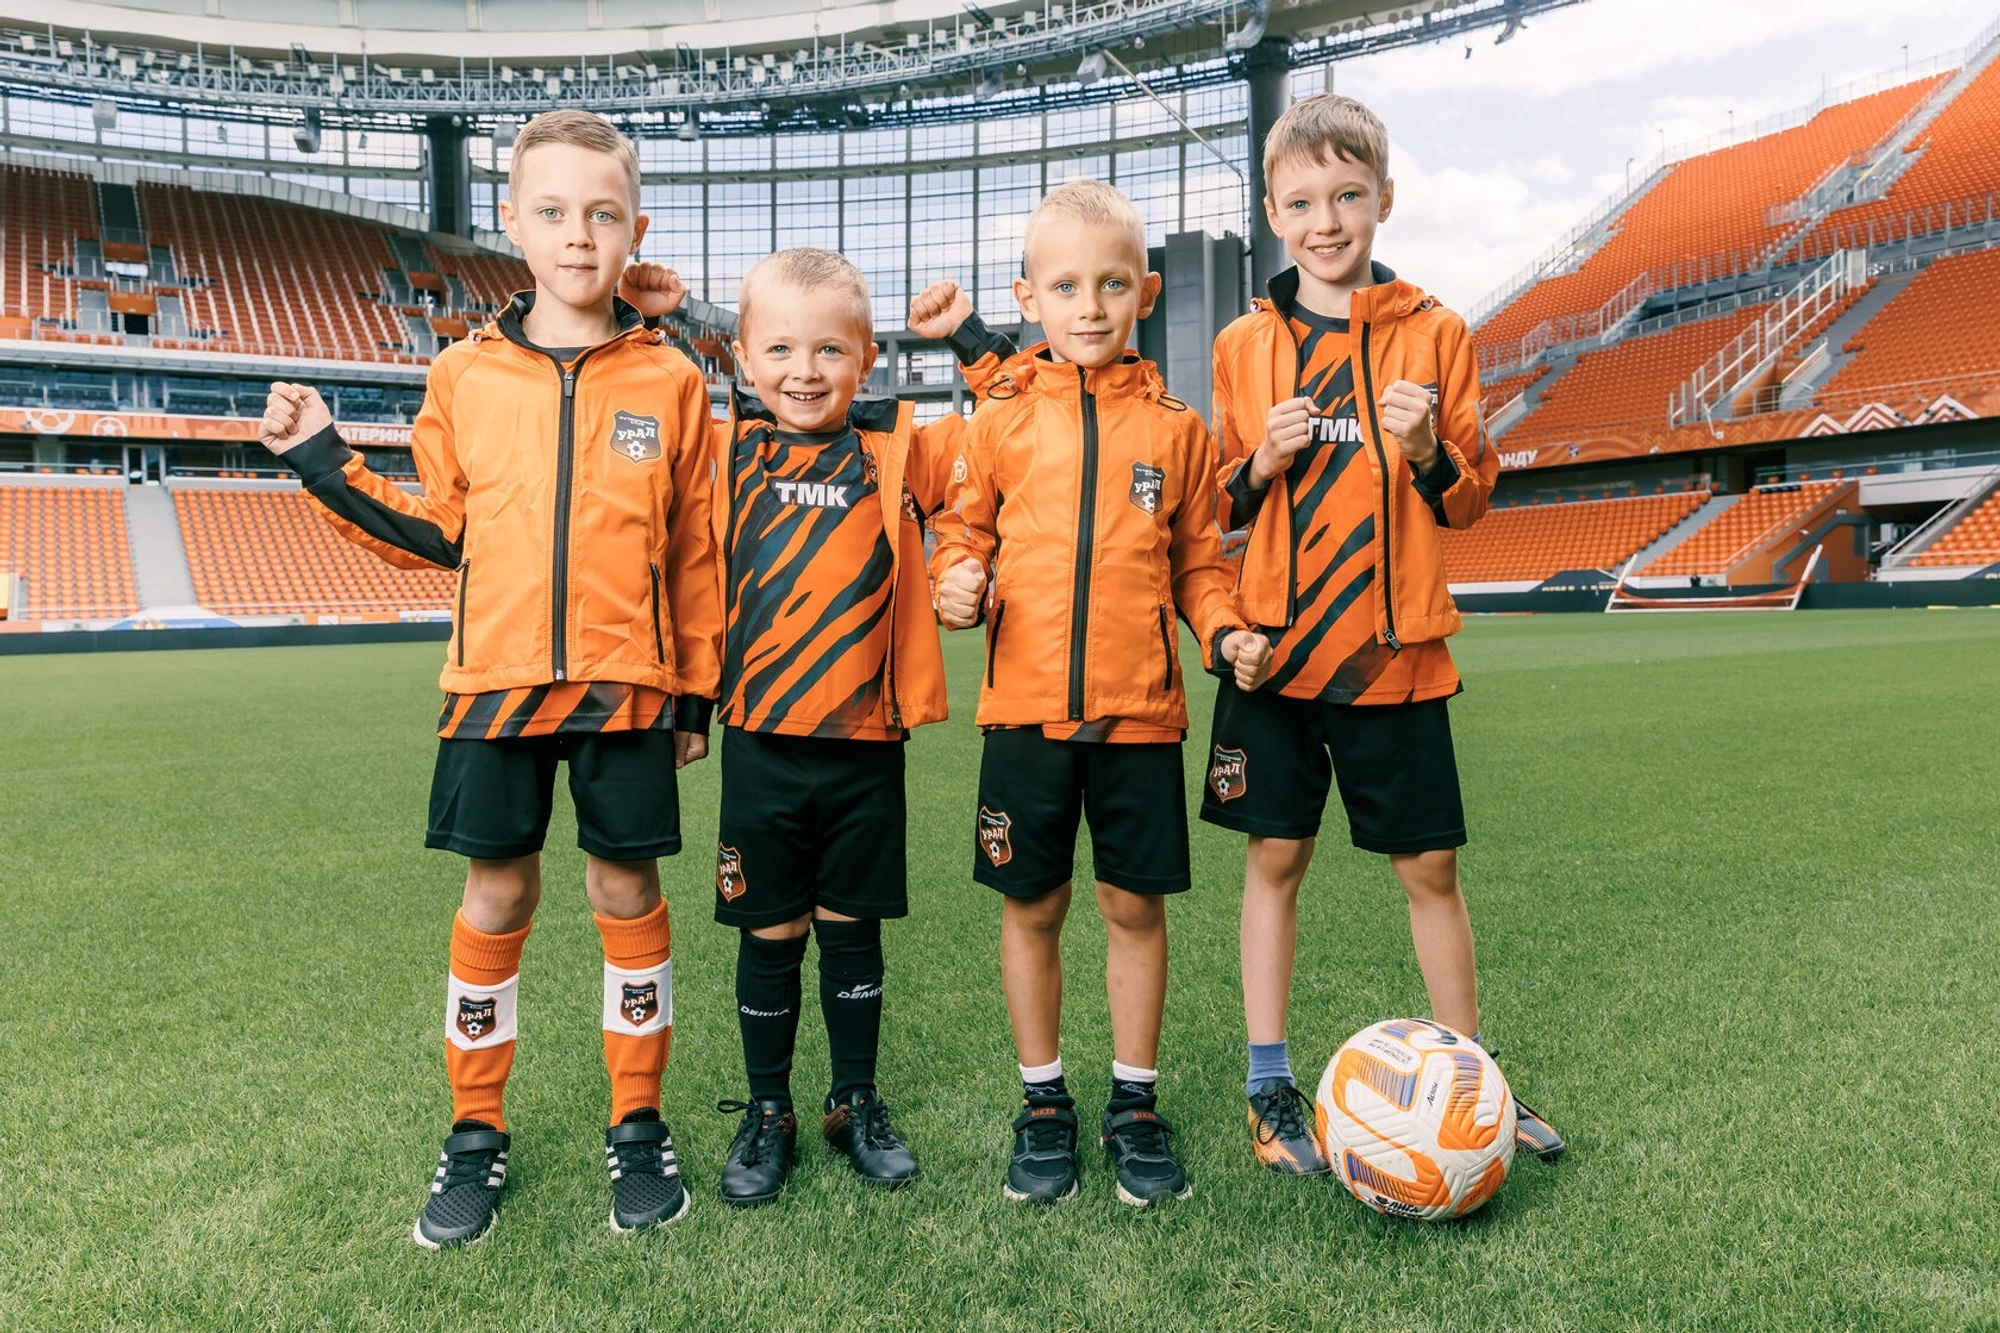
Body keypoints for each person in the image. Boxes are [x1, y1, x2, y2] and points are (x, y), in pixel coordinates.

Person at [255, 109, 722, 1247]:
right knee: (496, 898)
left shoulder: (672, 379)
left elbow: (694, 551)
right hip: (493, 689)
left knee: (625, 894)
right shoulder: (460, 372)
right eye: (553, 212)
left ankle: (637, 1122)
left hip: (625, 688)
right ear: (513, 223)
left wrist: (695, 694)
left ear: (636, 230)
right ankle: (474, 1132)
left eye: (602, 214)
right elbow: (438, 527)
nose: (578, 235)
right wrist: (322, 458)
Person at [1200, 93, 1565, 1175]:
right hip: (1274, 657)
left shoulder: (1437, 333)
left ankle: (1475, 1080)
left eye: (1347, 196)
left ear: (1384, 200)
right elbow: (1211, 508)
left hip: (1393, 654)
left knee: (1431, 866)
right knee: (1275, 857)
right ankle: (1268, 1088)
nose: (1326, 221)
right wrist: (1260, 463)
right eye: (1302, 202)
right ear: (1272, 213)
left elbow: (1469, 503)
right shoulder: (1241, 346)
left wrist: (1425, 452)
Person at [621, 251, 1013, 1207]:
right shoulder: (728, 451)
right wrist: (651, 327)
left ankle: (853, 1099)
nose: (805, 370)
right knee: (770, 930)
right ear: (743, 359)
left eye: (830, 349)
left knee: (850, 929)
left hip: (866, 742)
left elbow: (1012, 420)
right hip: (761, 740)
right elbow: (648, 408)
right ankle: (768, 1109)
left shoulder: (899, 451)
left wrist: (969, 339)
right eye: (781, 350)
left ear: (867, 359)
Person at [929, 180, 1272, 1209]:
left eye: (1112, 284)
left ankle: (1133, 1103)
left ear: (1145, 293)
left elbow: (1199, 565)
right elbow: (962, 537)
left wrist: (1223, 632)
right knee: (1032, 904)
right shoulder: (996, 420)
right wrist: (957, 583)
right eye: (1067, 286)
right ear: (1028, 297)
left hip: (1139, 714)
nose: (1089, 306)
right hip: (1023, 712)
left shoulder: (1178, 431)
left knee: (1132, 905)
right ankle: (1042, 1104)